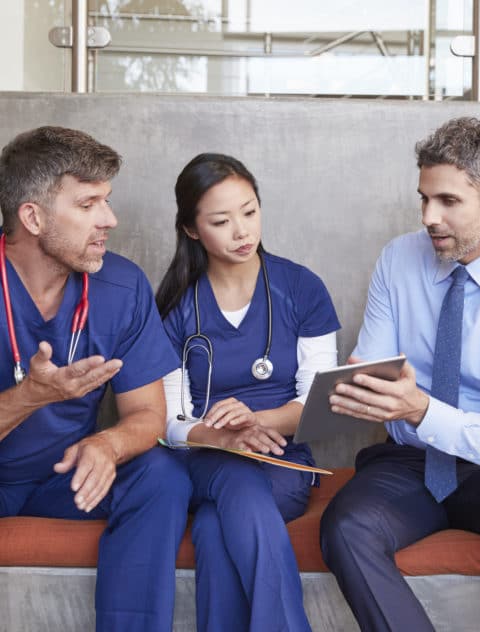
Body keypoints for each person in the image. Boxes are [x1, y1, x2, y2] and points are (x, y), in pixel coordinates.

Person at [320, 117, 480, 632]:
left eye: (447, 201)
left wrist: (419, 407)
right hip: (409, 463)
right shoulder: (399, 260)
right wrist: (355, 390)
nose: (428, 217)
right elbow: (368, 372)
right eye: (423, 199)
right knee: (346, 527)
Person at [0, 126, 191, 631]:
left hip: (64, 480)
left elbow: (149, 416)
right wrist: (28, 398)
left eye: (106, 202)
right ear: (33, 216)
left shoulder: (120, 284)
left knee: (161, 475)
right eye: (88, 205)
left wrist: (108, 445)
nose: (109, 219)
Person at [156, 152, 341, 632]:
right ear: (192, 229)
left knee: (216, 532)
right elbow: (169, 422)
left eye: (250, 211)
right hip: (206, 459)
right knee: (233, 486)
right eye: (221, 220)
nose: (242, 231)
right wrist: (221, 434)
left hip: (280, 459)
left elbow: (319, 408)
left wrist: (257, 422)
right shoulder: (176, 304)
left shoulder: (301, 288)